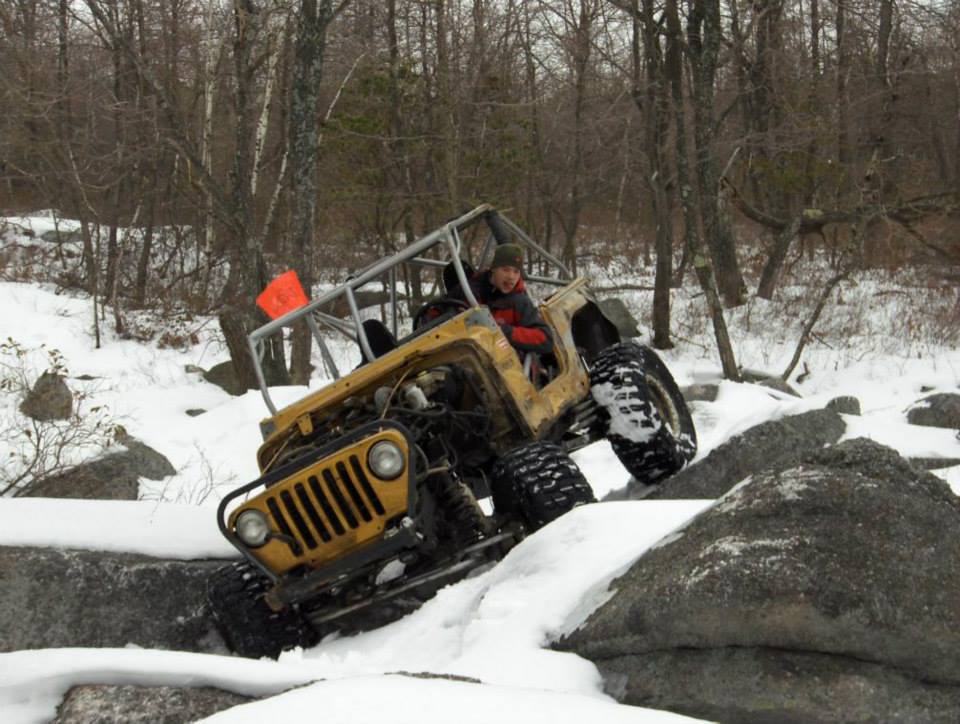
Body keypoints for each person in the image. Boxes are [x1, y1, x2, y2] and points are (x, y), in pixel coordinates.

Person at [449, 243, 553, 356]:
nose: (511, 277)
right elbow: (434, 313)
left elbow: (545, 339)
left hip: (505, 363)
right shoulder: (468, 291)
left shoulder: (519, 302)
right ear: (493, 269)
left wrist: (503, 331)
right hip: (466, 357)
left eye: (516, 271)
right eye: (506, 270)